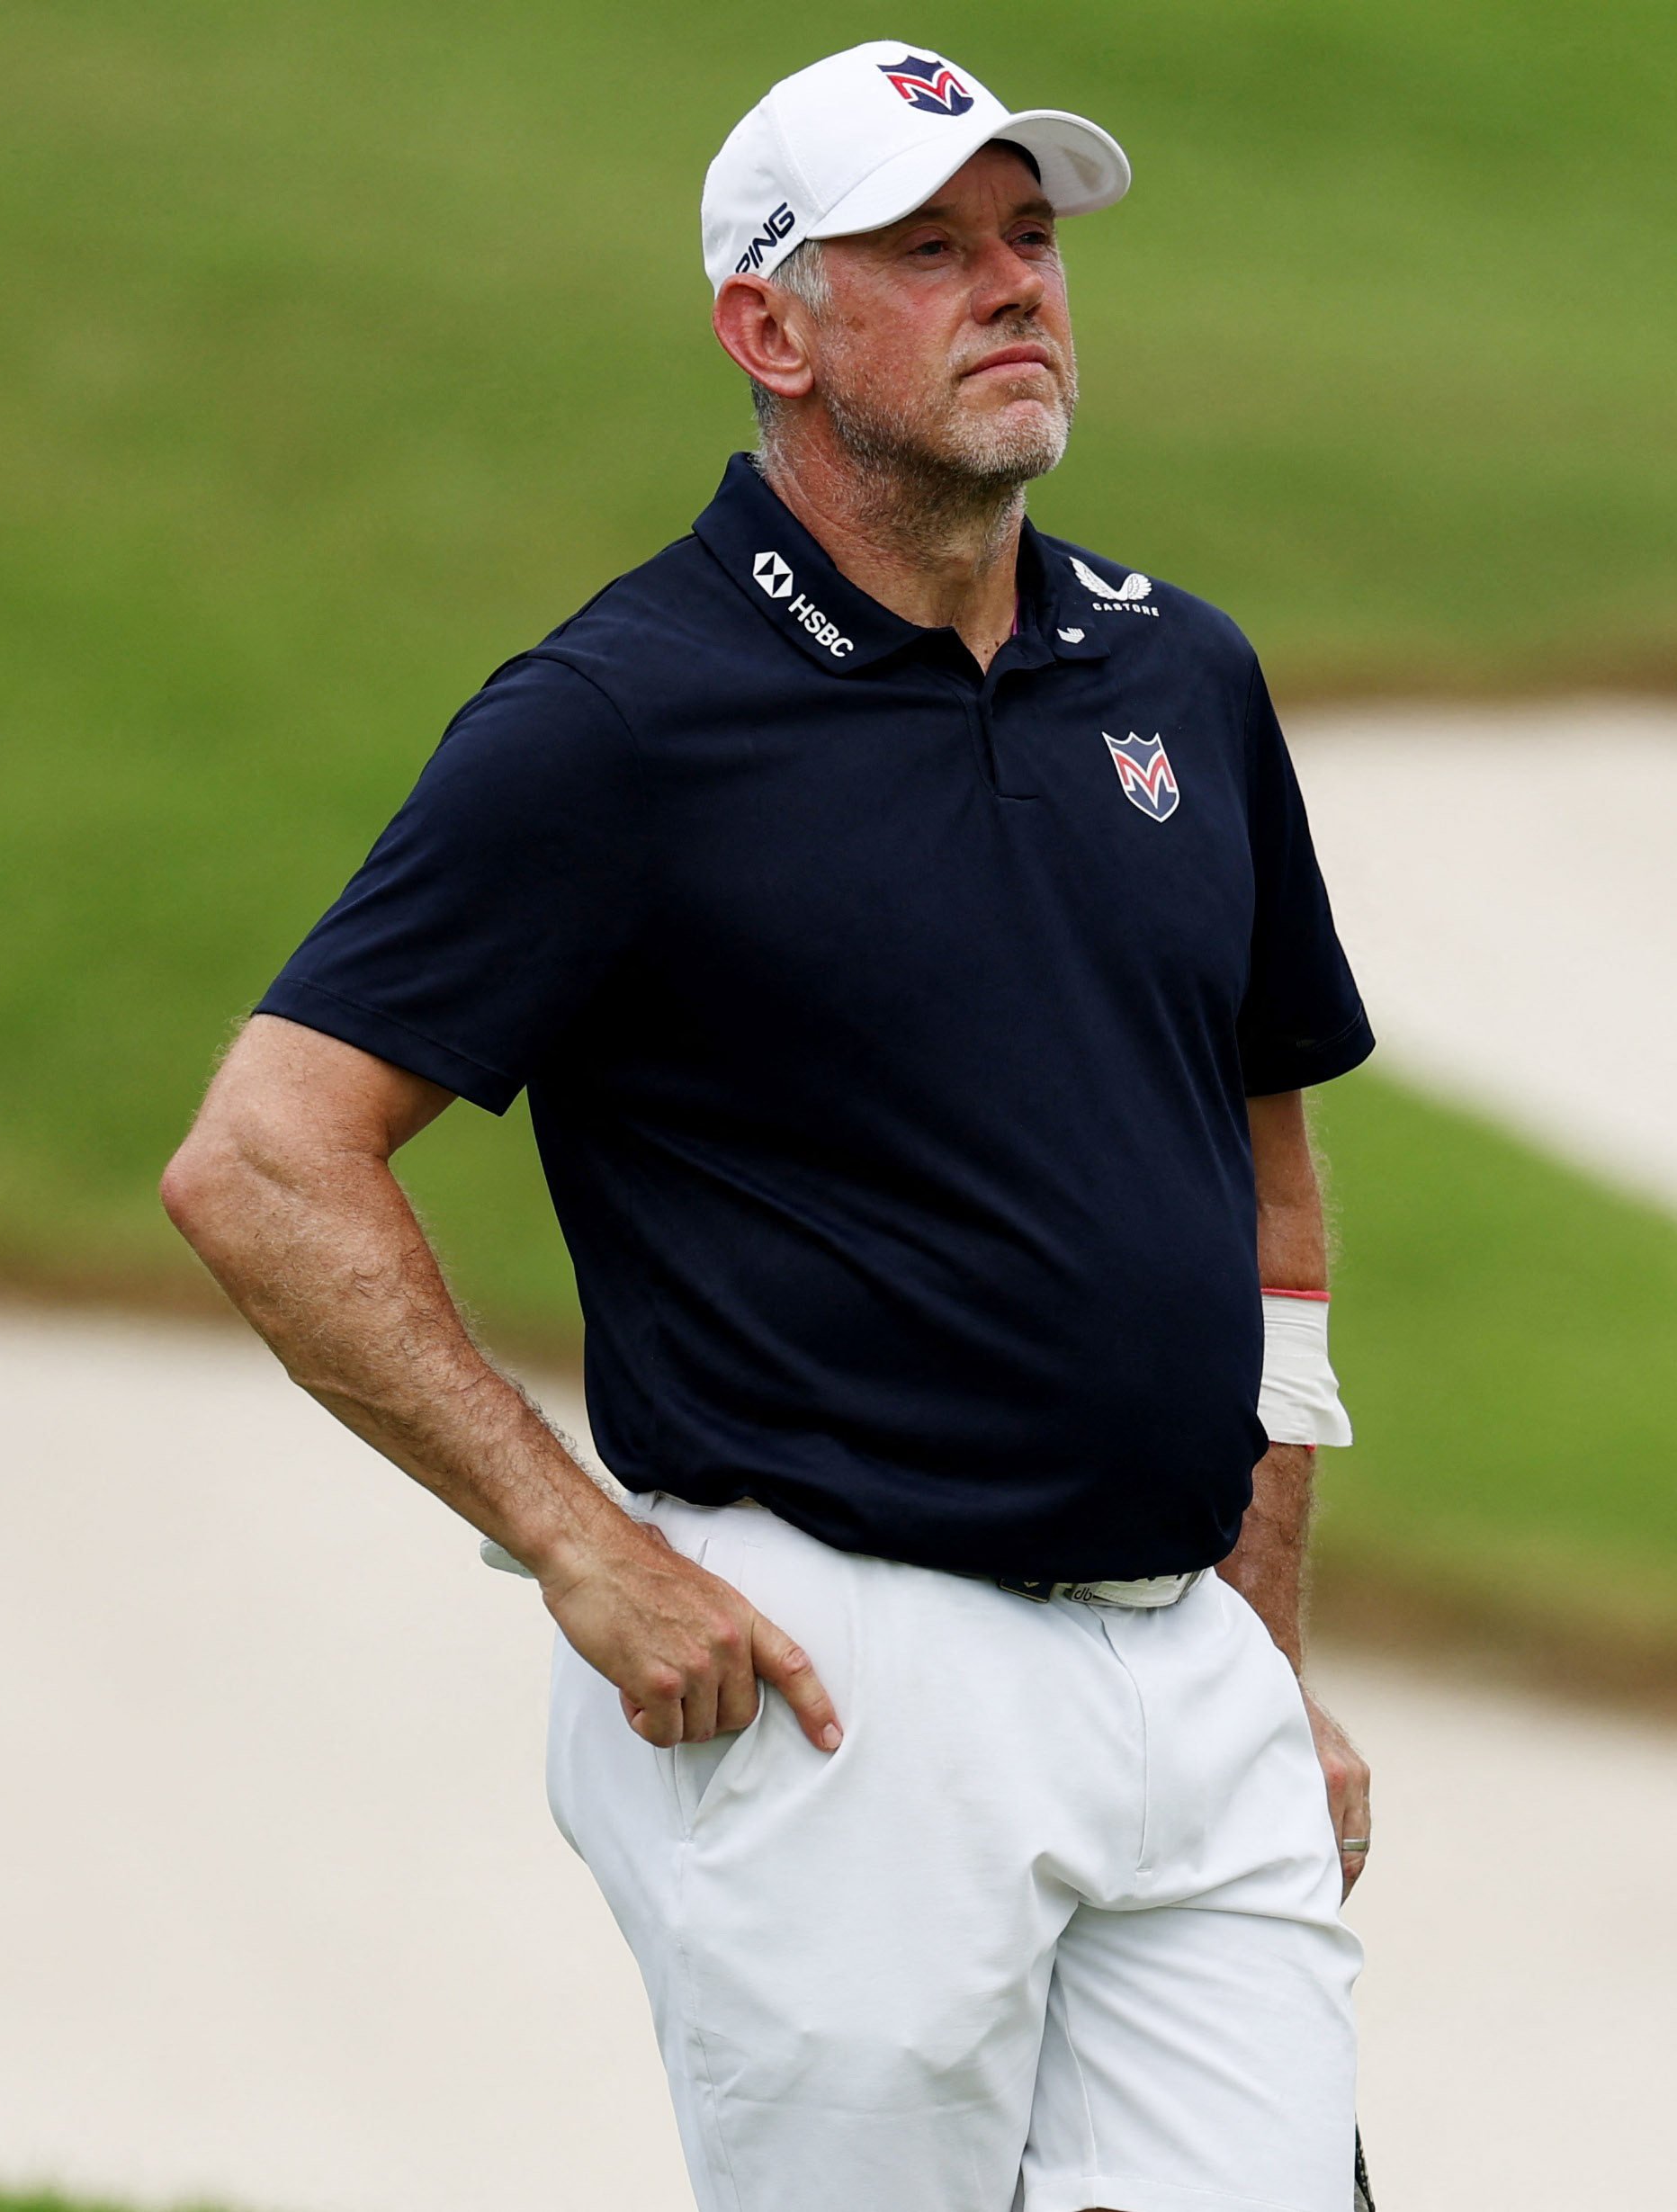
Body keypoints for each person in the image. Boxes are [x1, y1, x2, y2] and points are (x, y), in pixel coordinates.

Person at [160, 42, 1377, 2212]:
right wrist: (575, 1541)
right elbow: (263, 1157)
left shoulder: (1176, 672)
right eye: (929, 249)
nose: (1014, 286)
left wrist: (1261, 1639)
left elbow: (1264, 1178)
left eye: (1030, 238)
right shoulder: (622, 716)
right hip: (838, 1677)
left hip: (1183, 1669)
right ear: (769, 330)